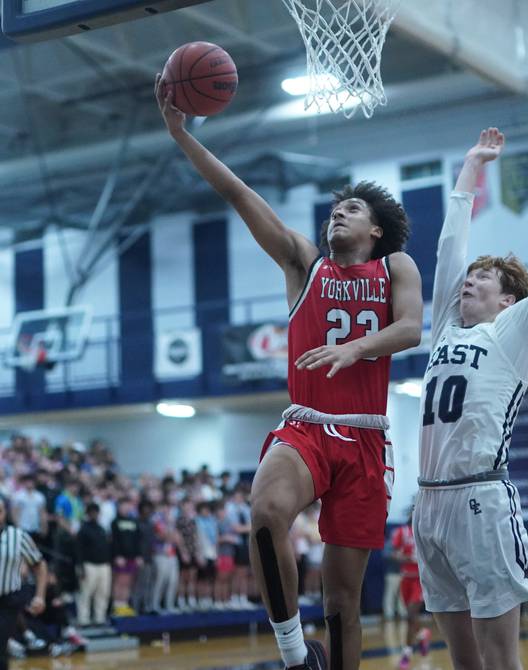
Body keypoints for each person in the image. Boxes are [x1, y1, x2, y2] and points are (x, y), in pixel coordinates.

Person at [156, 71, 422, 670]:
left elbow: (410, 329)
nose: (338, 216)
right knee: (266, 512)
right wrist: (183, 135)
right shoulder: (305, 263)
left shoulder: (395, 267)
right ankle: (295, 655)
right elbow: (239, 195)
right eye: (333, 209)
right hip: (306, 425)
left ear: (375, 229)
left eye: (351, 209)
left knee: (344, 605)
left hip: (365, 439)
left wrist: (358, 348)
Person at [412, 121, 528, 670]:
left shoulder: (514, 330)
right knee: (464, 663)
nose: (469, 280)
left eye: (484, 277)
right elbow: (450, 246)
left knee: (500, 661)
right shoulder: (448, 327)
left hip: (480, 500)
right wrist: (471, 168)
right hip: (427, 503)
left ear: (509, 299)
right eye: (470, 276)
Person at [0, 497, 47, 670]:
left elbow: (39, 564)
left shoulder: (17, 536)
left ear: (5, 513)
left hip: (7, 600)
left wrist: (40, 597)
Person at [390, 512, 430, 669]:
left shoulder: (426, 531)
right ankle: (422, 635)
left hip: (420, 579)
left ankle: (406, 654)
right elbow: (392, 554)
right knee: (412, 618)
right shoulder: (401, 531)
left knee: (410, 615)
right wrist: (403, 558)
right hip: (405, 578)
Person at [75, 502, 113, 626]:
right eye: (92, 512)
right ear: (88, 514)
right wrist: (80, 567)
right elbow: (78, 550)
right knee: (86, 592)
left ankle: (99, 618)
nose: (94, 514)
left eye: (96, 512)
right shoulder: (83, 530)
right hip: (88, 565)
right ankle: (83, 619)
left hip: (104, 565)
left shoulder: (102, 529)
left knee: (103, 593)